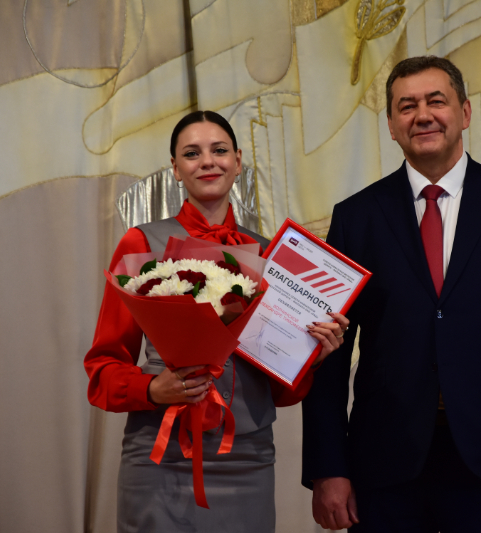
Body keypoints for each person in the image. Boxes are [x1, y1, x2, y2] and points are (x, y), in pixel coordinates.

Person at [301, 56, 481, 532]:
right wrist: (328, 467)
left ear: (465, 113)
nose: (423, 115)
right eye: (406, 106)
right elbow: (326, 349)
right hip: (384, 464)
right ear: (391, 125)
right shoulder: (356, 217)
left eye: (437, 101)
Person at [84, 110, 349, 532]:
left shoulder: (271, 256)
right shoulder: (142, 243)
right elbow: (102, 369)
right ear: (175, 168)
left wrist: (311, 357)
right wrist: (152, 388)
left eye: (219, 150)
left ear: (238, 161)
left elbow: (279, 393)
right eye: (192, 153)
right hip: (161, 457)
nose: (207, 161)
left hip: (249, 462)